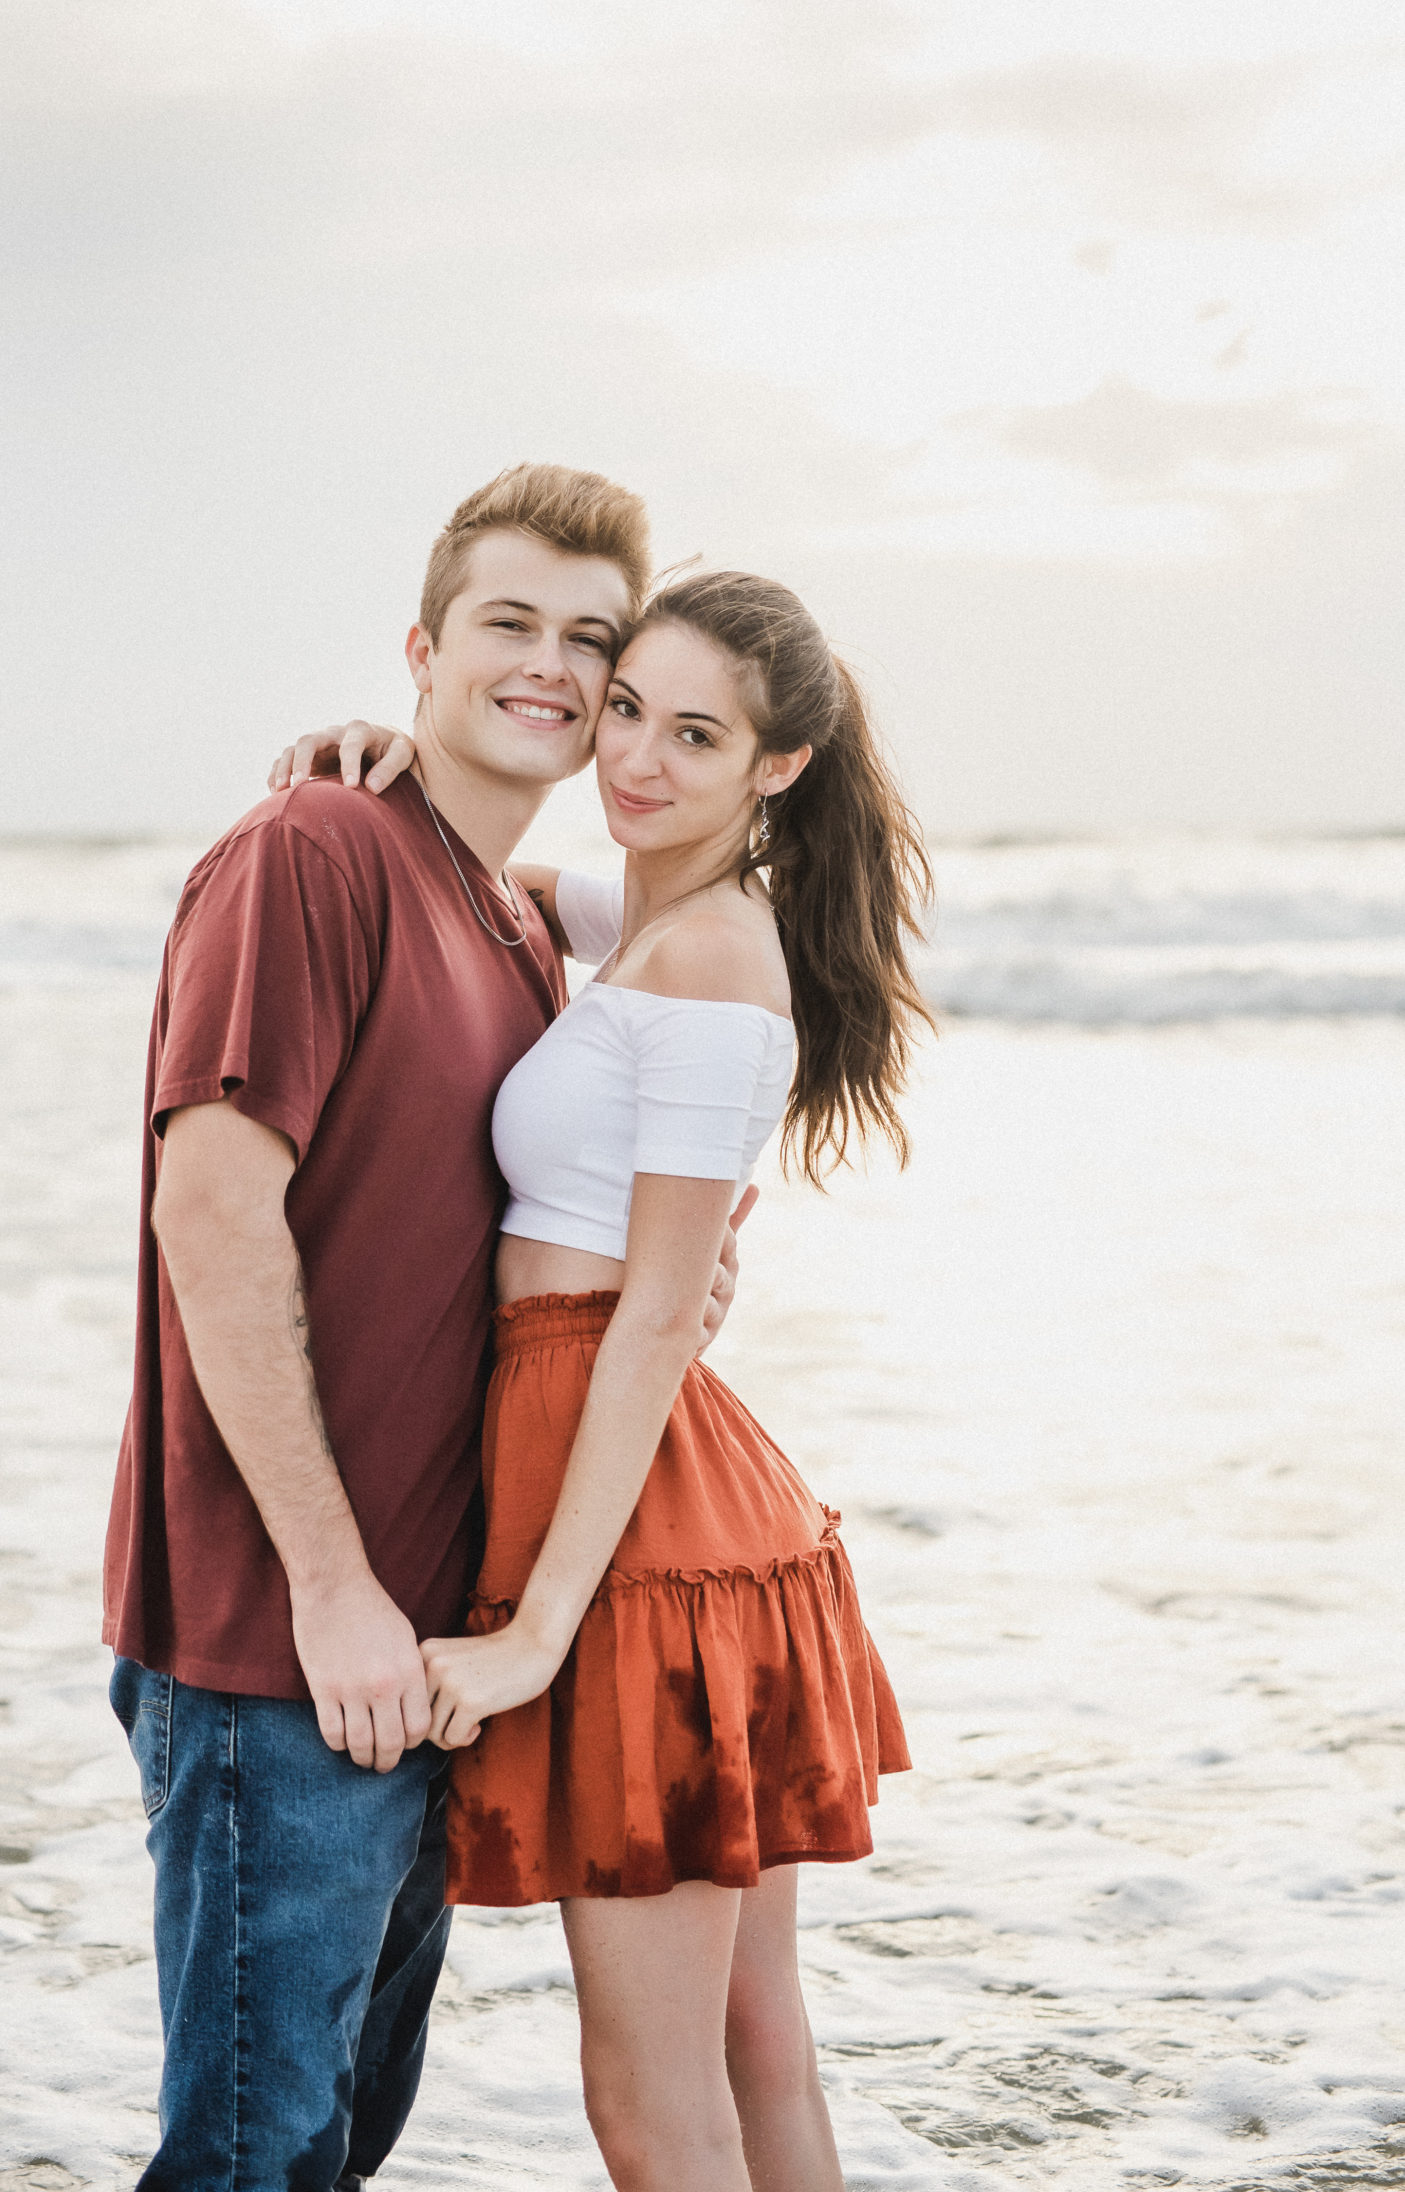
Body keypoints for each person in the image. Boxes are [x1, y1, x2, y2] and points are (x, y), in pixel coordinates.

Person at [101, 464, 750, 2192]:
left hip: (426, 1642)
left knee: (331, 2148)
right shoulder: (312, 849)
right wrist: (327, 1588)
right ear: (421, 648)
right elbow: (211, 1212)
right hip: (286, 1645)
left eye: (588, 641)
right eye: (507, 624)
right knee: (251, 2159)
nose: (547, 667)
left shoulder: (521, 920)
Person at [291, 569, 926, 2192]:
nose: (633, 756)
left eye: (692, 734)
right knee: (751, 2044)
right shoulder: (652, 914)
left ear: (773, 767)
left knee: (650, 2108)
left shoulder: (711, 959)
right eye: (626, 706)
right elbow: (492, 881)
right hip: (674, 1502)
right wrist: (394, 757)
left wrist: (534, 1636)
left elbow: (654, 1315)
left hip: (639, 1523)